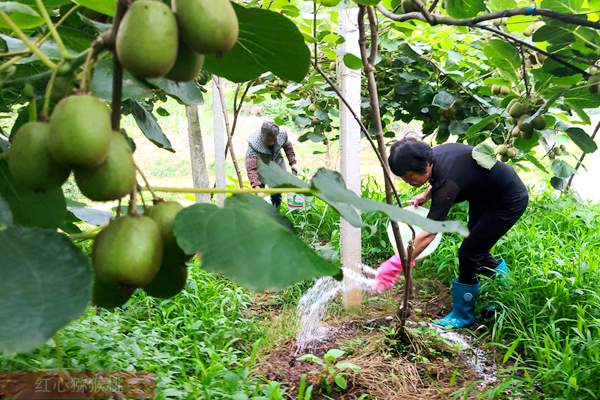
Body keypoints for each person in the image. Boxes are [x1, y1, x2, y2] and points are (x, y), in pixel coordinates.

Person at [376, 138, 528, 328]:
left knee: (469, 253)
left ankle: (463, 314)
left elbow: (430, 232)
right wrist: (426, 194)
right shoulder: (433, 157)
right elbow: (445, 177)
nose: (408, 182)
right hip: (484, 196)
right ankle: (505, 290)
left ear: (425, 165)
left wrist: (397, 263)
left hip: (507, 200)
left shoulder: (447, 183)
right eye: (404, 179)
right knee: (477, 248)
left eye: (410, 177)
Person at [245, 121, 298, 207]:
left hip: (276, 163)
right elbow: (251, 169)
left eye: (274, 140)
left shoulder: (281, 135)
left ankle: (276, 209)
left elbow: (287, 146)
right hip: (260, 167)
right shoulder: (254, 144)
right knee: (259, 196)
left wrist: (293, 163)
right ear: (262, 136)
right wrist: (256, 187)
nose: (272, 142)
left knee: (276, 191)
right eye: (269, 140)